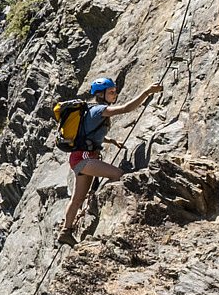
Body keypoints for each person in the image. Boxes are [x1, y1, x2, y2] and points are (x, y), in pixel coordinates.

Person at [60, 77, 163, 244]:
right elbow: (126, 109)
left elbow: (88, 134)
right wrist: (147, 92)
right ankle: (108, 208)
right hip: (84, 158)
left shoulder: (92, 111)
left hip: (80, 157)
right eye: (111, 92)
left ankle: (66, 231)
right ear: (101, 94)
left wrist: (111, 141)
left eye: (115, 91)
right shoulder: (99, 110)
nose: (115, 94)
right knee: (117, 174)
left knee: (78, 199)